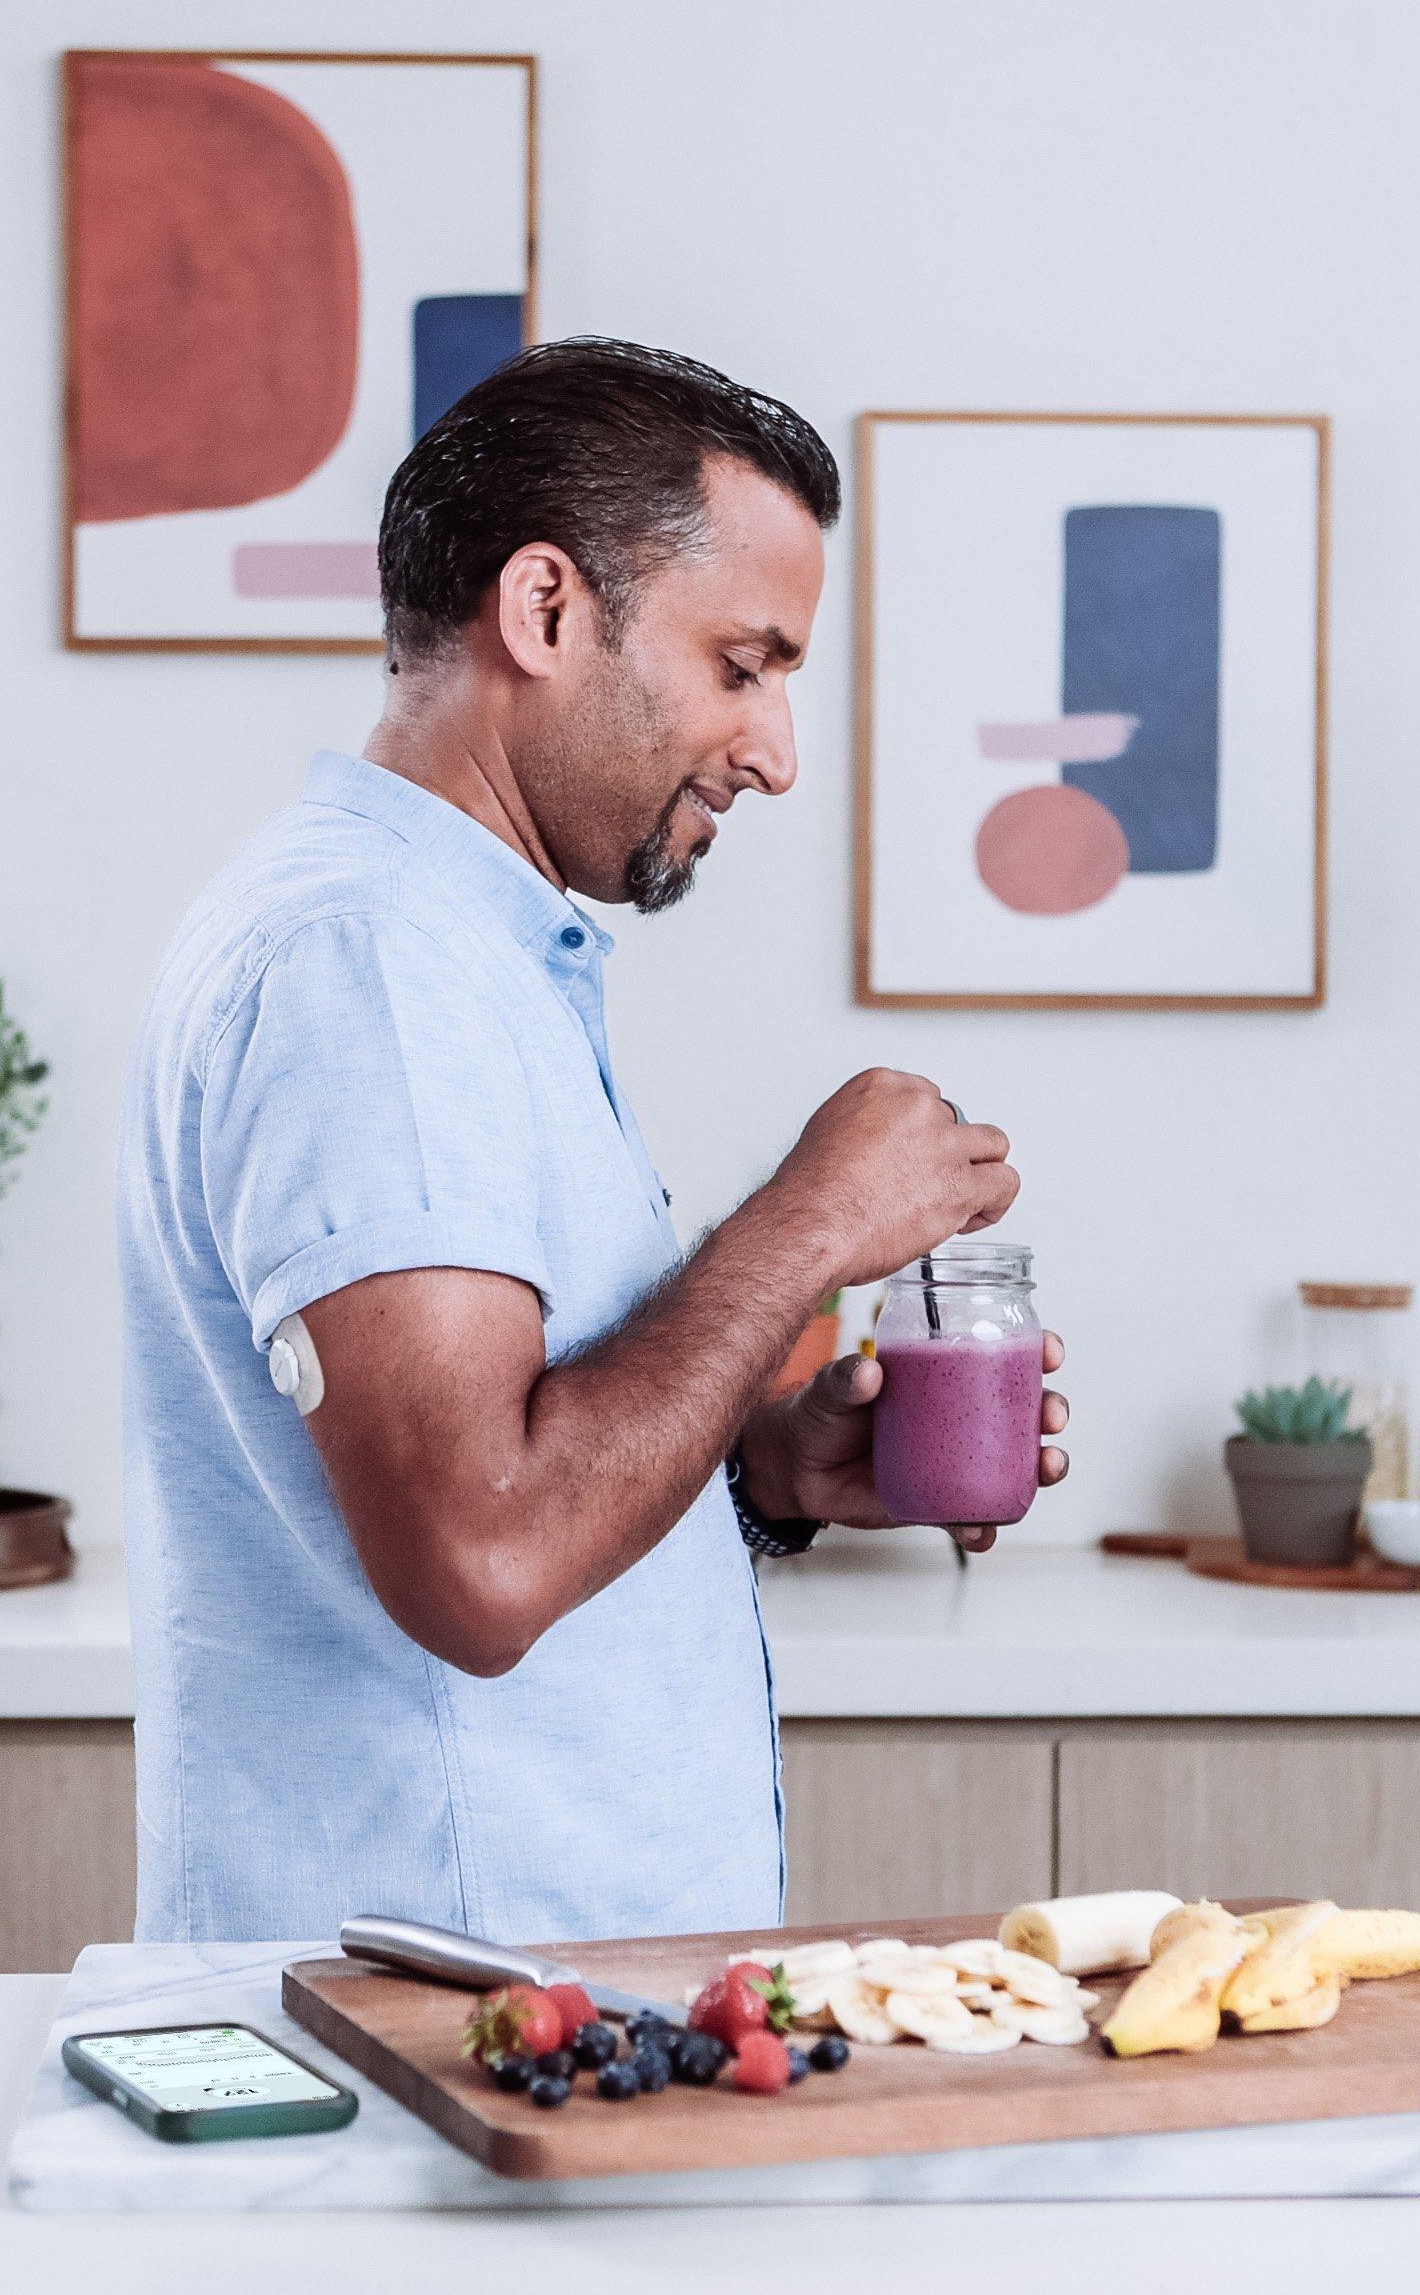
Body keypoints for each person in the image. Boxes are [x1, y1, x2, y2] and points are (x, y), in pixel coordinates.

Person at [119, 338, 1071, 1946]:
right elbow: (481, 1557)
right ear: (545, 610)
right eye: (742, 664)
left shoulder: (458, 955)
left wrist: (755, 1476)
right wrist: (809, 1227)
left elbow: (506, 1464)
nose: (773, 750)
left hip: (512, 2019)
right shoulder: (373, 970)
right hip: (439, 2038)